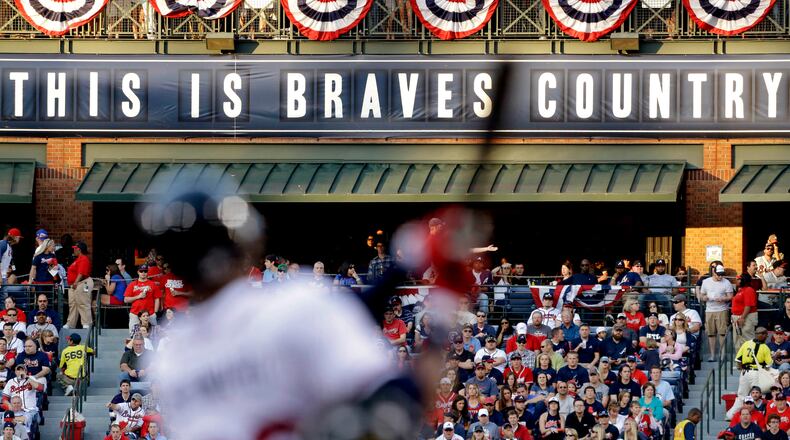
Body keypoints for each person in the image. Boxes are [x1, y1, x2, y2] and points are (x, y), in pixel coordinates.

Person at [699, 264, 734, 361]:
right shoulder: (706, 282)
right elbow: (702, 295)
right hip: (709, 310)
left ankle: (723, 355)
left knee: (722, 333)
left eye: (722, 274)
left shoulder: (726, 282)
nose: (720, 276)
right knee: (711, 334)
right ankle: (712, 355)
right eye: (719, 274)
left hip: (722, 309)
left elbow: (730, 296)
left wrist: (723, 298)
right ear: (714, 272)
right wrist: (704, 298)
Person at [735, 327, 773, 397]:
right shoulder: (765, 347)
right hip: (756, 373)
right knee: (756, 395)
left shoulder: (746, 343)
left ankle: (739, 407)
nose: (766, 337)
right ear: (761, 335)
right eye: (765, 335)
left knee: (741, 396)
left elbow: (738, 360)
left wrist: (741, 370)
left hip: (745, 372)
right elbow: (768, 365)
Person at [124, 265, 161, 332]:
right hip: (135, 313)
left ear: (147, 272)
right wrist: (138, 296)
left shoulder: (152, 284)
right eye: (141, 271)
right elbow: (126, 299)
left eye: (145, 271)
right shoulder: (132, 284)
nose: (143, 273)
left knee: (153, 335)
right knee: (134, 335)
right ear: (138, 272)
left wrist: (155, 312)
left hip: (150, 314)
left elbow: (157, 299)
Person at [64, 241, 92, 329]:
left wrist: (76, 282)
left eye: (75, 249)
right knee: (73, 304)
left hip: (83, 283)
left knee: (83, 303)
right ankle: (70, 323)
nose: (74, 250)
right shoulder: (78, 259)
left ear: (79, 249)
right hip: (75, 284)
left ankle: (86, 323)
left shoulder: (83, 258)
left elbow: (81, 273)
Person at [733, 273, 759, 348]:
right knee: (738, 340)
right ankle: (739, 359)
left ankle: (749, 358)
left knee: (747, 339)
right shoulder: (741, 290)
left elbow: (748, 306)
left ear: (743, 280)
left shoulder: (749, 290)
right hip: (737, 317)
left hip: (746, 317)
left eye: (738, 279)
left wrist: (742, 318)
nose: (736, 281)